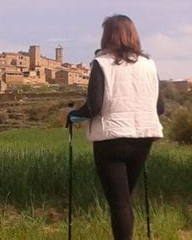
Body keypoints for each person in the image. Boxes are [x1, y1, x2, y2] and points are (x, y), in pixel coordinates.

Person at [66, 14, 164, 240]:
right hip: (142, 138)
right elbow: (160, 107)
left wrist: (72, 116)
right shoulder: (149, 65)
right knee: (125, 200)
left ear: (107, 36)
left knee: (119, 204)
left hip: (111, 140)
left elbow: (94, 107)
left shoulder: (102, 63)